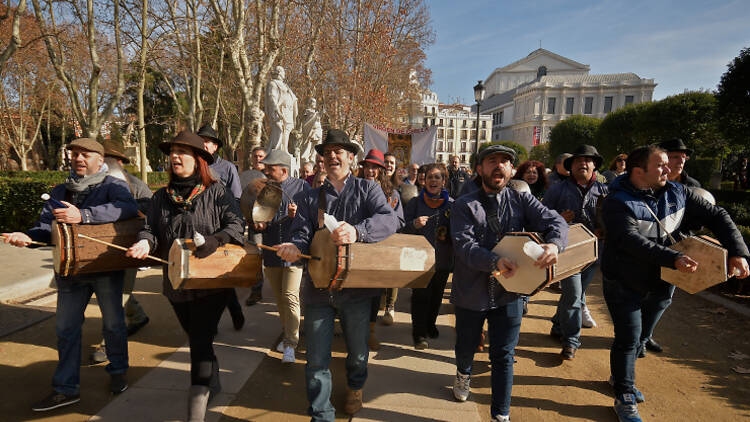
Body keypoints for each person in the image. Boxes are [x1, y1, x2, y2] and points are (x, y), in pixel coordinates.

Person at [601, 145, 749, 422]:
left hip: (664, 280)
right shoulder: (616, 201)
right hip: (624, 279)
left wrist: (738, 252)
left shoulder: (678, 192)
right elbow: (629, 240)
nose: (669, 170)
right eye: (661, 166)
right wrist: (674, 257)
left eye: (668, 164)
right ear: (638, 171)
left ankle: (621, 374)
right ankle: (624, 394)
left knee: (642, 335)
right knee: (628, 338)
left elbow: (718, 215)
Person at [3, 138, 138, 411]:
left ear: (100, 160)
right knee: (66, 330)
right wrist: (27, 237)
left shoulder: (114, 186)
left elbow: (127, 208)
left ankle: (118, 372)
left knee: (113, 325)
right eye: (74, 153)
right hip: (69, 272)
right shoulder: (60, 189)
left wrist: (84, 215)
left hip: (104, 269)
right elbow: (45, 227)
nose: (78, 158)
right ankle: (66, 389)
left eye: (85, 154)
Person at [275, 129, 400, 420]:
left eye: (339, 151)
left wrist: (358, 231)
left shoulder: (368, 189)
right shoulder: (309, 196)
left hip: (356, 289)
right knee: (316, 360)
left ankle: (356, 386)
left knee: (357, 354)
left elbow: (389, 219)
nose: (332, 156)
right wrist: (294, 246)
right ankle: (321, 414)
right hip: (318, 289)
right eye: (328, 152)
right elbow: (301, 233)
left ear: (351, 157)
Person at [126, 131, 245, 422]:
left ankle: (196, 411)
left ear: (199, 160)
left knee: (200, 341)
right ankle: (212, 379)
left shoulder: (217, 192)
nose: (175, 157)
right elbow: (150, 229)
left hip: (211, 283)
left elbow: (237, 224)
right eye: (173, 152)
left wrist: (217, 239)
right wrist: (145, 242)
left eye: (183, 152)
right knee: (195, 336)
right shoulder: (160, 197)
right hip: (175, 283)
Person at [449, 144, 568, 421]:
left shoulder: (521, 200)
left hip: (511, 293)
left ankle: (500, 415)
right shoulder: (464, 205)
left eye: (505, 161)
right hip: (471, 292)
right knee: (466, 346)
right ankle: (463, 374)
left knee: (503, 355)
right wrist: (494, 261)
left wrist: (554, 244)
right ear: (480, 169)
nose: (499, 165)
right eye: (492, 161)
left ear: (512, 170)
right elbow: (464, 246)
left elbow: (556, 221)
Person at [89, 144, 153, 364]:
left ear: (120, 162)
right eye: (101, 158)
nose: (104, 162)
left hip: (127, 249)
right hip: (98, 249)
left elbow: (149, 216)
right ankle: (137, 316)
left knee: (117, 296)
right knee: (107, 292)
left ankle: (109, 345)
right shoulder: (90, 185)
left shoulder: (137, 186)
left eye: (109, 158)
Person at [543, 145, 608, 359]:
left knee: (576, 295)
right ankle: (571, 340)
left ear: (595, 166)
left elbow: (614, 219)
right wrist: (559, 218)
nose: (583, 164)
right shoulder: (557, 190)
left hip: (594, 252)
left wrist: (604, 229)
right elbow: (542, 217)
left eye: (588, 160)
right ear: (570, 167)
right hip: (567, 251)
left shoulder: (605, 191)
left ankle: (557, 324)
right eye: (578, 160)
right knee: (573, 295)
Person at [252, 150, 309, 363]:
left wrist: (297, 215)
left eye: (270, 168)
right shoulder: (265, 189)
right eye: (265, 168)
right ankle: (287, 335)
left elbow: (313, 218)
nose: (266, 171)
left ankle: (291, 343)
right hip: (272, 251)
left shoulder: (302, 187)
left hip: (294, 252)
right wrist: (258, 224)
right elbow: (261, 221)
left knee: (290, 296)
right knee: (279, 298)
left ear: (283, 170)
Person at [197, 124, 245, 330]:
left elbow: (236, 198)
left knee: (220, 275)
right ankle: (209, 323)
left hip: (220, 228)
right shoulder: (194, 165)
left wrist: (231, 227)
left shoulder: (228, 168)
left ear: (215, 146)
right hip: (197, 226)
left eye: (207, 141)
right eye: (200, 141)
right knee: (202, 274)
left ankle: (233, 310)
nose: (203, 144)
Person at [356, 148, 405, 350]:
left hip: (379, 250)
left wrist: (379, 225)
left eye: (375, 168)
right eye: (367, 166)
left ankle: (370, 332)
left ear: (382, 171)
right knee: (355, 293)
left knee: (374, 293)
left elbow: (399, 220)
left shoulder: (391, 194)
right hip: (356, 247)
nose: (370, 171)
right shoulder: (353, 188)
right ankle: (354, 330)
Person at [402, 163, 454, 350]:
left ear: (443, 181)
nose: (433, 180)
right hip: (419, 259)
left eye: (437, 177)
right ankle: (419, 333)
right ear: (424, 181)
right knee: (420, 297)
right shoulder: (415, 203)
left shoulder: (452, 205)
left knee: (436, 296)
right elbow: (401, 227)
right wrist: (414, 224)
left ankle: (430, 324)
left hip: (442, 259)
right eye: (430, 177)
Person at [239, 146, 268, 307]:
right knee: (256, 256)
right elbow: (242, 198)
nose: (258, 159)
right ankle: (256, 290)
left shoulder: (273, 175)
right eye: (255, 156)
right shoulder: (246, 177)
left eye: (261, 156)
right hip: (254, 223)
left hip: (273, 223)